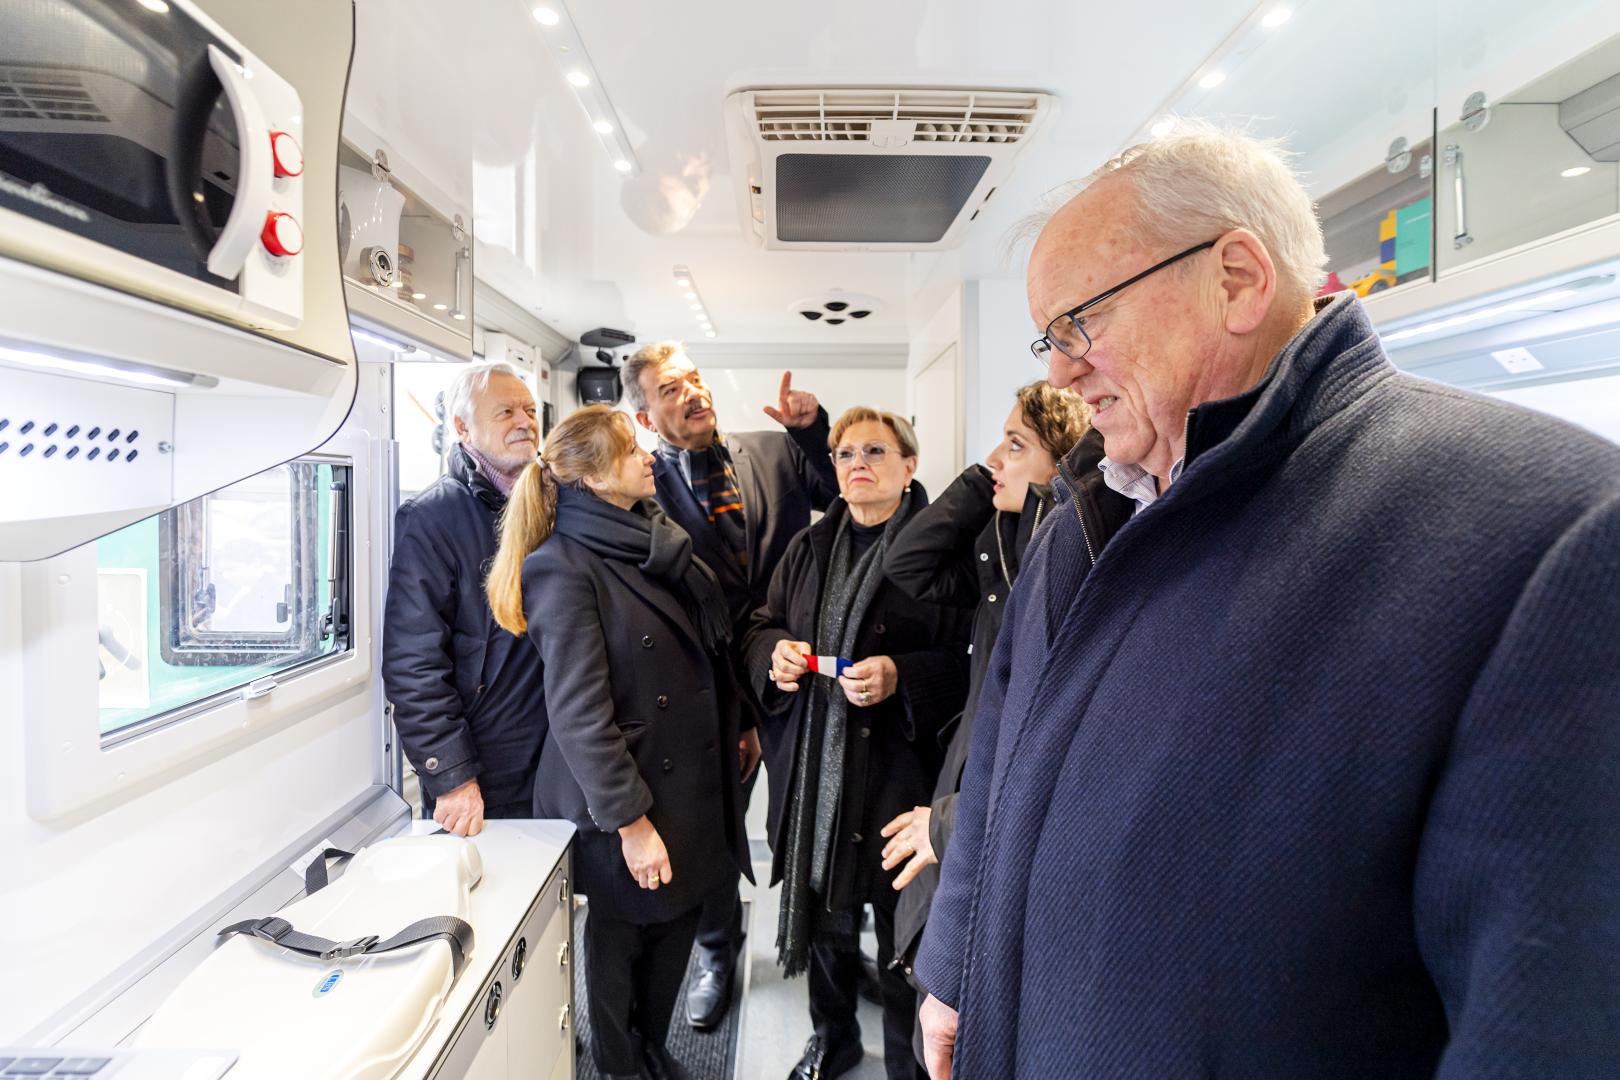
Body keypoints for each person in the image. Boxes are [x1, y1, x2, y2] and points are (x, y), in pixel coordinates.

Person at [914, 122, 1620, 1079]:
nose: (1059, 371)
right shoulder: (1081, 514)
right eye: (1050, 337)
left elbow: (1549, 1022)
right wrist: (954, 966)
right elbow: (1000, 751)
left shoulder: (1547, 532)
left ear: (1238, 280)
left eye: (1080, 322)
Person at [486, 405, 753, 1080]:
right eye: (632, 450)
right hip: (625, 798)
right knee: (620, 945)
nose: (649, 457)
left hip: (687, 783)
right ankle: (619, 1066)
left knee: (675, 930)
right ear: (596, 479)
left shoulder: (656, 540)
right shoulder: (561, 567)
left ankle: (652, 1051)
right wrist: (633, 824)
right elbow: (579, 714)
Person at [743, 407, 971, 1080]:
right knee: (825, 926)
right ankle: (833, 1036)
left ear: (909, 466)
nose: (857, 463)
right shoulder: (807, 548)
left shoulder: (942, 551)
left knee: (905, 932)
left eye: (875, 450)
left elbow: (974, 660)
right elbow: (760, 625)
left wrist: (902, 675)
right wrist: (774, 655)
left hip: (901, 778)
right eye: (844, 453)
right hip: (817, 777)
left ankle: (907, 1062)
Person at [621, 342, 841, 1028]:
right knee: (714, 829)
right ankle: (718, 952)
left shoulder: (774, 451)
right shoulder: (641, 487)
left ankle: (834, 952)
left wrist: (812, 430)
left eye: (693, 379)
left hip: (797, 668)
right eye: (669, 388)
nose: (691, 392)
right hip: (710, 687)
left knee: (818, 815)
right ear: (645, 417)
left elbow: (840, 492)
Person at [879, 382, 1096, 1034]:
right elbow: (908, 564)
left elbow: (1049, 737)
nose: (995, 457)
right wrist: (987, 478)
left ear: (1061, 461)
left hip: (986, 814)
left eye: (1015, 444)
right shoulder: (1003, 549)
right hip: (966, 784)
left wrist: (949, 821)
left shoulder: (1072, 564)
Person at [382, 362, 546, 835]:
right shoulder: (431, 518)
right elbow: (413, 662)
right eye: (506, 412)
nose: (524, 421)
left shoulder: (554, 501)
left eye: (530, 410)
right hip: (486, 769)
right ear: (462, 426)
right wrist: (453, 776)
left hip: (558, 753)